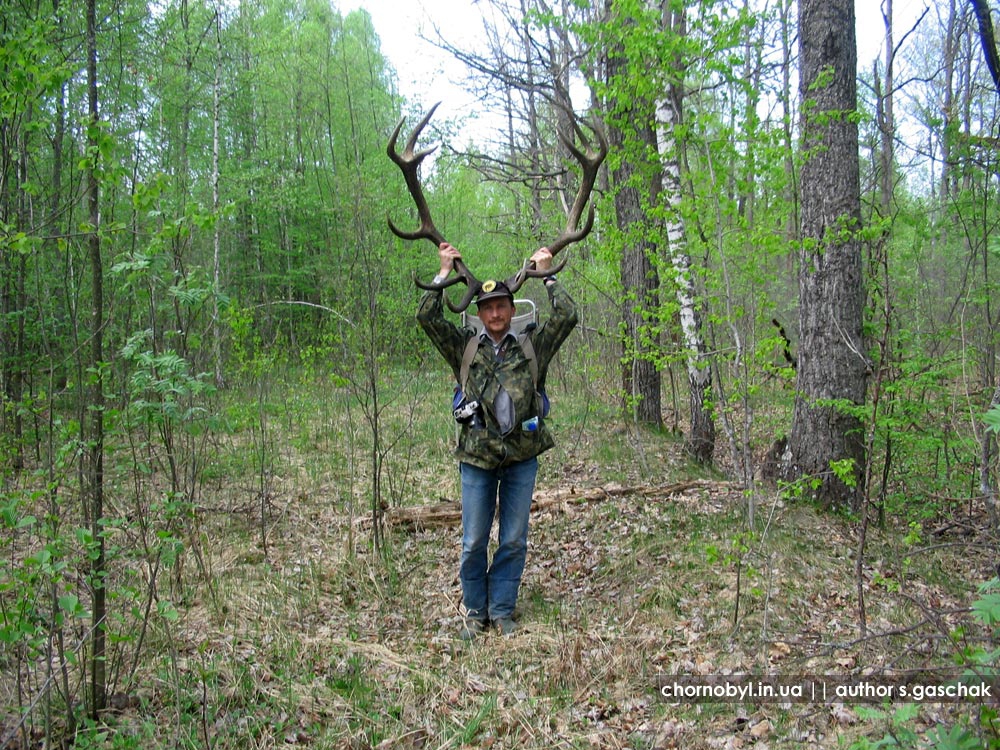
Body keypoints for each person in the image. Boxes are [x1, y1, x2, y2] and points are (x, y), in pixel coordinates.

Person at [417, 242, 578, 638]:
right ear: (478, 312)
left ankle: (502, 610)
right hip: (476, 458)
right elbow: (426, 317)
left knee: (513, 538)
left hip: (522, 457)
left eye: (502, 305)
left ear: (510, 308)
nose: (495, 313)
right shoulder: (464, 348)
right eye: (488, 307)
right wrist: (441, 273)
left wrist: (548, 274)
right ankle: (475, 612)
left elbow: (568, 315)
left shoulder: (531, 344)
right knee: (473, 540)